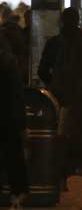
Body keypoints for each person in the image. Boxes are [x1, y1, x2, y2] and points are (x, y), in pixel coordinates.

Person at [37, 7, 82, 184]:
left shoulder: (54, 43)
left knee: (59, 134)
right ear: (78, 20)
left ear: (61, 21)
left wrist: (53, 83)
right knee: (78, 133)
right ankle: (73, 166)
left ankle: (58, 170)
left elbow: (42, 70)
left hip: (59, 96)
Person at [0, 33, 27, 208]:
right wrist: (22, 124)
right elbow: (17, 96)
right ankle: (16, 196)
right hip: (9, 119)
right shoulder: (10, 63)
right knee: (13, 158)